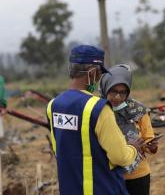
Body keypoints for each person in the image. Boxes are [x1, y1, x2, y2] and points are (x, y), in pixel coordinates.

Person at [46, 45, 142, 195]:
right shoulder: (98, 108)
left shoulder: (53, 105)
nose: (98, 79)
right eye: (99, 74)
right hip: (101, 188)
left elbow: (59, 149)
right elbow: (119, 157)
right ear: (92, 73)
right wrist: (133, 148)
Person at [99, 64, 158, 195]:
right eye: (113, 91)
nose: (118, 97)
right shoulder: (97, 110)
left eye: (123, 92)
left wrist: (152, 146)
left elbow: (149, 139)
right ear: (105, 87)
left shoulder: (139, 110)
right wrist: (125, 147)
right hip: (108, 175)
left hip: (138, 175)